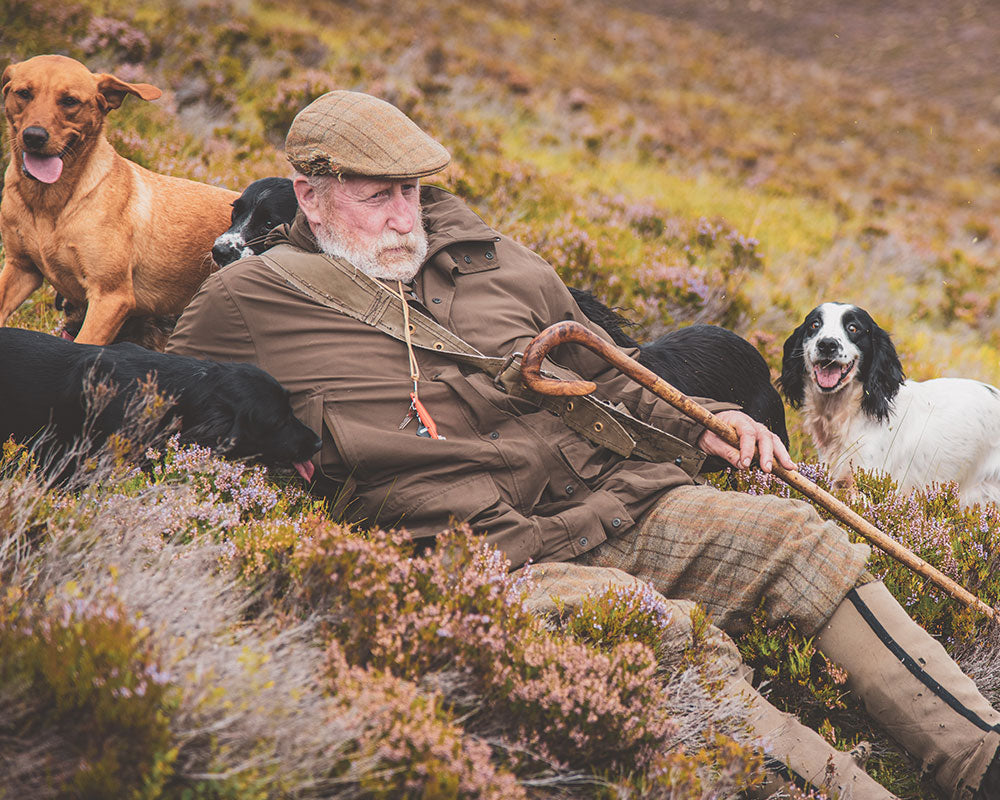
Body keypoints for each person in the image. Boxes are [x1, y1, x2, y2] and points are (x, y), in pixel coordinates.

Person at [166, 90, 1000, 800]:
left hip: (617, 500)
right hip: (485, 556)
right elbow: (149, 398)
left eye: (413, 192)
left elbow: (613, 370)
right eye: (378, 195)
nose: (403, 217)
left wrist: (708, 420)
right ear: (310, 198)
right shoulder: (249, 303)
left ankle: (981, 756)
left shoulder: (494, 260)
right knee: (664, 639)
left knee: (803, 544)